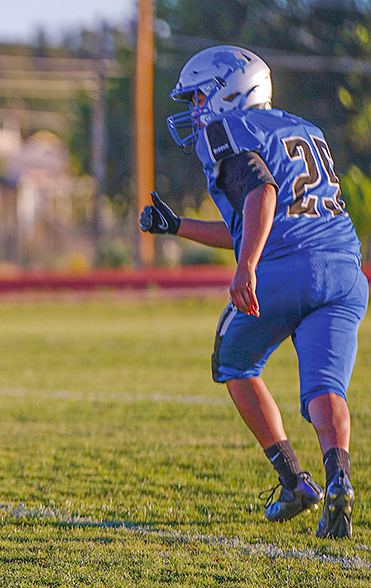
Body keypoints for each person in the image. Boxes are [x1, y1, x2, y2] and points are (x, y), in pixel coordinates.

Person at [141, 46, 367, 539]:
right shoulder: (304, 129)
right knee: (325, 388)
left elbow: (261, 198)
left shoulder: (228, 130)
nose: (196, 108)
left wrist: (246, 268)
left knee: (234, 361)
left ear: (231, 90)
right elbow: (255, 223)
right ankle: (339, 481)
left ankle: (292, 482)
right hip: (346, 271)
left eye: (201, 95)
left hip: (288, 269)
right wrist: (178, 226)